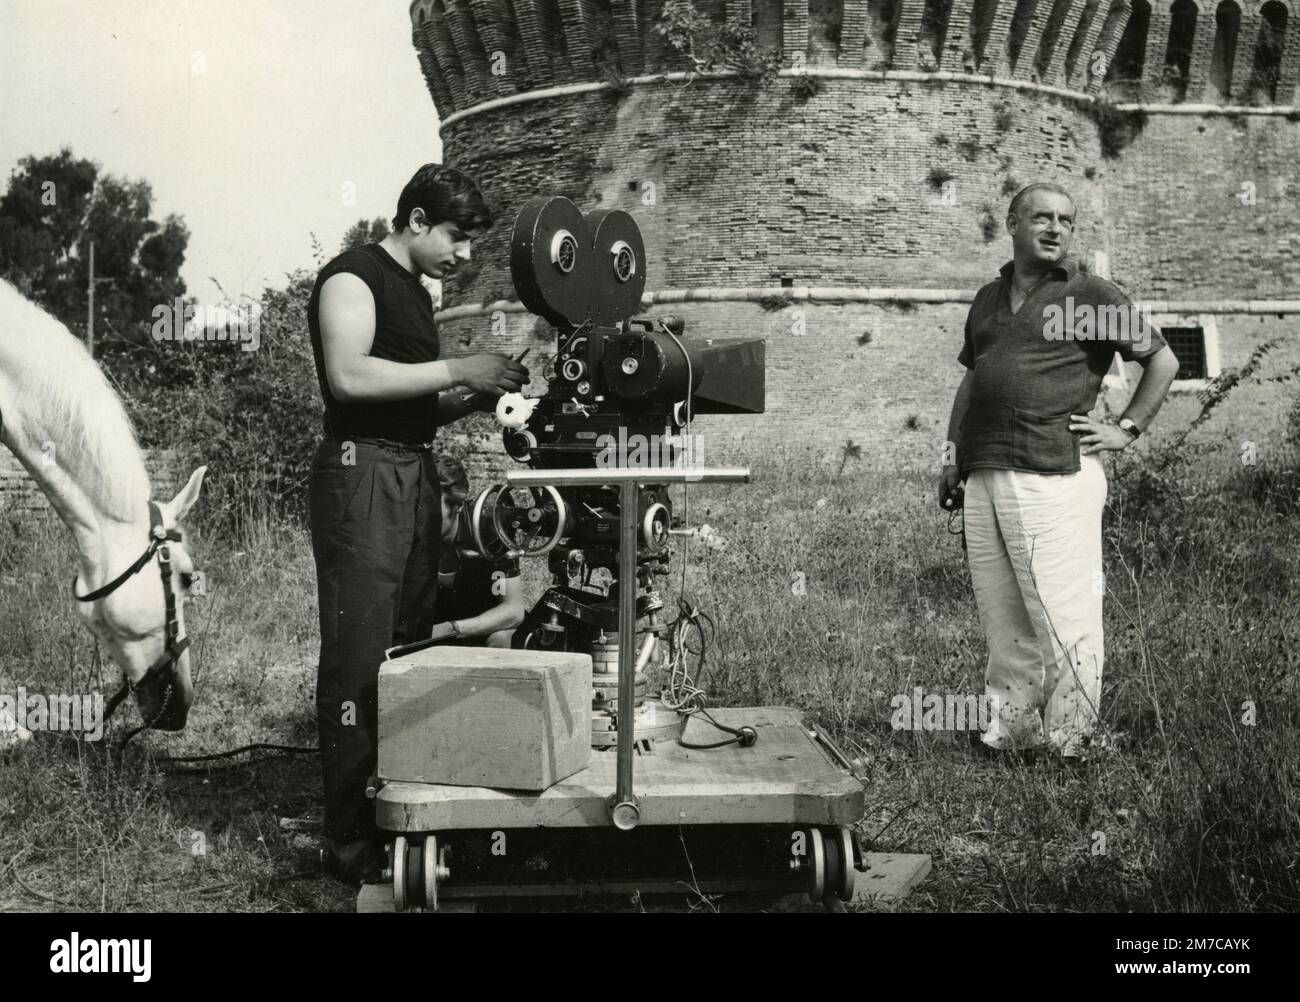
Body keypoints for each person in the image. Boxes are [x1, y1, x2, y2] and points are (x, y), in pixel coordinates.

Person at [307, 164, 530, 884]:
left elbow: (407, 402)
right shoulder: (353, 277)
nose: (464, 256)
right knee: (358, 655)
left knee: (404, 647)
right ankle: (349, 843)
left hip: (409, 468)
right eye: (457, 239)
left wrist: (475, 392)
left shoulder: (412, 292)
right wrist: (461, 363)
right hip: (362, 474)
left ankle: (397, 813)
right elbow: (351, 379)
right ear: (414, 220)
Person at [939, 182, 1180, 762]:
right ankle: (1011, 730)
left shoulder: (1090, 292)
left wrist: (1126, 430)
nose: (1055, 228)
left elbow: (1162, 360)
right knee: (1004, 614)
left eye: (1066, 220)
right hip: (984, 469)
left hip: (1054, 470)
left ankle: (1073, 741)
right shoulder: (987, 298)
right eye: (1041, 217)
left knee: (1062, 611)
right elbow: (973, 380)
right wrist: (951, 457)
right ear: (1013, 224)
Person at [430, 454, 526, 648]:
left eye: (431, 506)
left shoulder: (486, 528)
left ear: (457, 505)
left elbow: (513, 609)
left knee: (499, 639)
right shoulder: (406, 530)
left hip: (481, 624)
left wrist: (450, 629)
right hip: (431, 627)